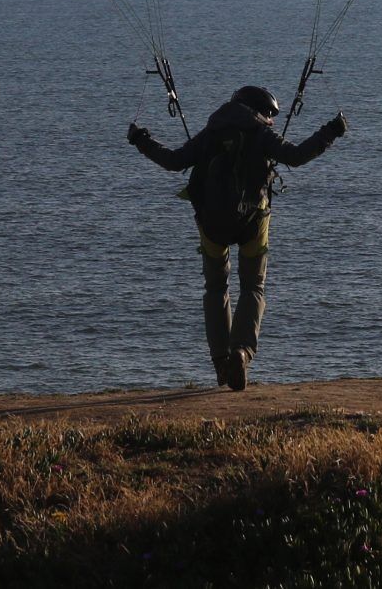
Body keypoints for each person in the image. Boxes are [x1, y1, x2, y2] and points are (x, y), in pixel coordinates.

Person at [128, 85, 347, 389]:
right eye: (269, 116)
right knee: (253, 287)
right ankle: (241, 353)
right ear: (261, 112)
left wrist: (140, 139)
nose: (270, 121)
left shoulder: (212, 131)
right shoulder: (261, 135)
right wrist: (332, 131)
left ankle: (221, 364)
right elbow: (296, 156)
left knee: (216, 288)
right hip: (253, 222)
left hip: (211, 224)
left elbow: (174, 161)